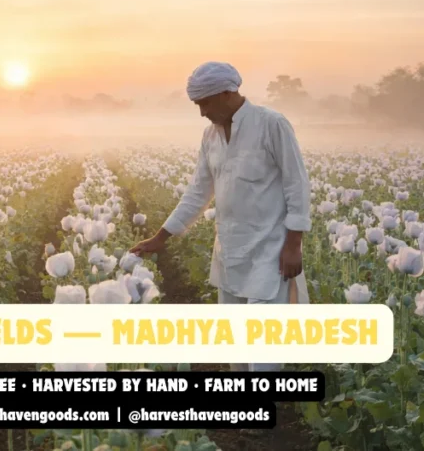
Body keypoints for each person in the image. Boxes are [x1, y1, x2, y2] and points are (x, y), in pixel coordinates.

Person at [128, 61, 312, 372]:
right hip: (229, 250)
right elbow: (198, 193)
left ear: (228, 93)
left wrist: (294, 244)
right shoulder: (210, 136)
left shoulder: (272, 124)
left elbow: (298, 184)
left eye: (205, 103)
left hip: (271, 249)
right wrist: (161, 237)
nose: (202, 112)